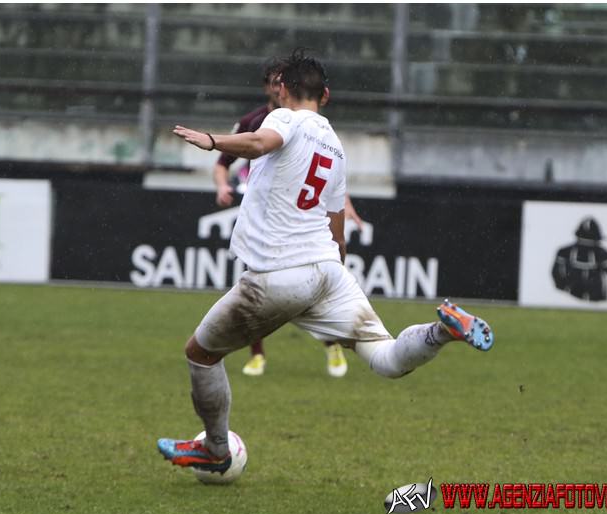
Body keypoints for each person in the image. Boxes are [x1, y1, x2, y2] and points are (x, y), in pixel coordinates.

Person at [158, 49, 494, 474]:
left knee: (200, 355)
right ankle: (440, 331)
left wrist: (212, 141)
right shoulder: (335, 147)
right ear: (327, 95)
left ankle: (217, 450)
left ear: (281, 90)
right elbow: (336, 227)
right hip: (327, 271)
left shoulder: (284, 117)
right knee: (386, 358)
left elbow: (262, 143)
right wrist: (339, 276)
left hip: (277, 276)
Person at [213, 57, 358, 378]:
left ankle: (330, 344)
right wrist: (223, 185)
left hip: (294, 223)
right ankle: (258, 354)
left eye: (282, 81)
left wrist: (208, 140)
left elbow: (324, 179)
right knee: (268, 288)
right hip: (267, 215)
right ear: (270, 86)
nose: (278, 87)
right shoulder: (257, 120)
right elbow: (226, 162)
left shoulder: (297, 124)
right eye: (273, 81)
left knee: (266, 294)